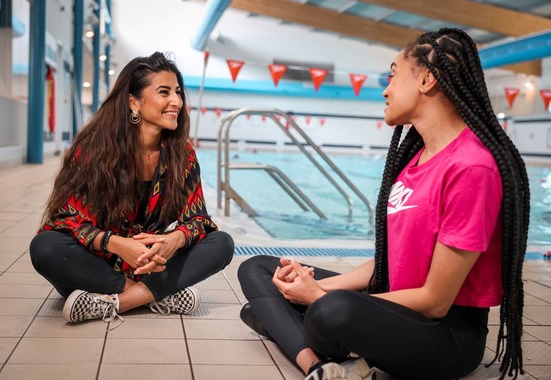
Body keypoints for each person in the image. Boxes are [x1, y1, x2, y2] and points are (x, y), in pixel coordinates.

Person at [238, 28, 529, 380]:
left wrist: (316, 298)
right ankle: (321, 367)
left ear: (426, 79)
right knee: (257, 270)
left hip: (444, 332)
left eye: (393, 74)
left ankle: (294, 325)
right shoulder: (417, 159)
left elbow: (436, 301)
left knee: (327, 313)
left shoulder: (471, 167)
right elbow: (385, 265)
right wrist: (309, 287)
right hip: (391, 304)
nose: (386, 89)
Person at [30, 52, 234, 327]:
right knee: (45, 247)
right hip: (98, 264)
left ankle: (116, 302)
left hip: (152, 263)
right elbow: (65, 221)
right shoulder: (94, 149)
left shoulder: (181, 154)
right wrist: (116, 244)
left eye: (178, 92)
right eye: (164, 92)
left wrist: (173, 240)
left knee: (221, 244)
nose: (176, 101)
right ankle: (158, 294)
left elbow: (198, 220)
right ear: (133, 101)